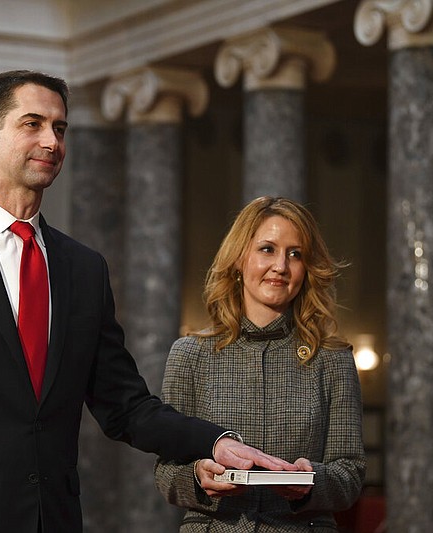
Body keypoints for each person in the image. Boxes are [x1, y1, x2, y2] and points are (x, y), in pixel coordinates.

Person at [0, 70, 297, 533]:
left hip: (51, 519)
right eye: (33, 124)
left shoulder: (84, 267)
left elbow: (124, 405)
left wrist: (213, 441)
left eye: (60, 128)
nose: (52, 141)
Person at [154, 196, 366, 532]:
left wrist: (310, 480)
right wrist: (198, 475)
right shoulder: (190, 354)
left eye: (295, 254)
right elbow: (166, 472)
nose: (281, 266)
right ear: (240, 258)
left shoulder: (333, 359)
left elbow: (351, 474)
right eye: (267, 249)